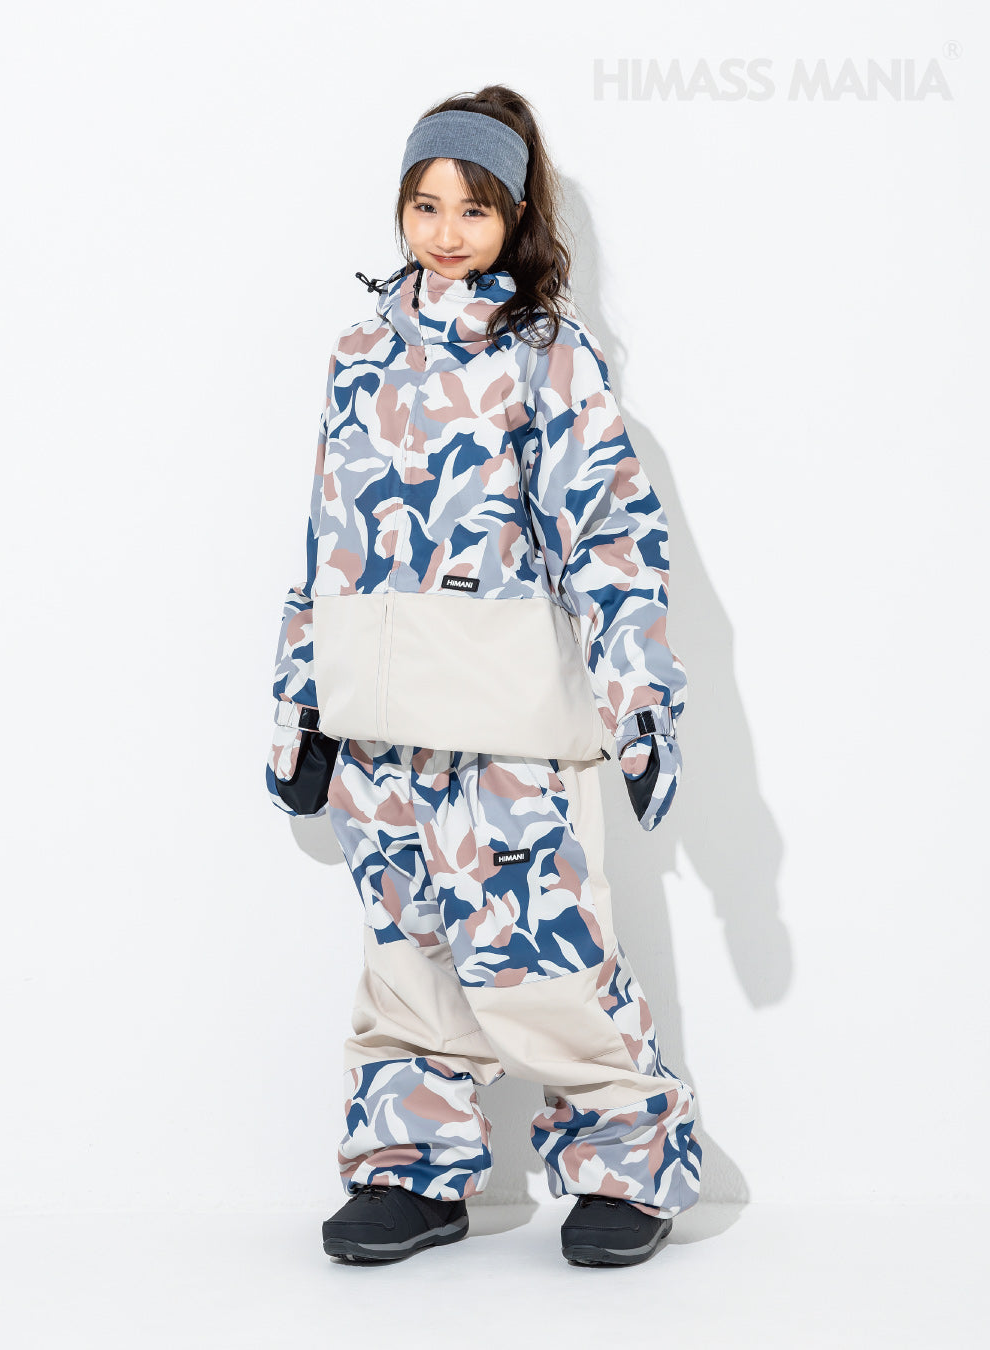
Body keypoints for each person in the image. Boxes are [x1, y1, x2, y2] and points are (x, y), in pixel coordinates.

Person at [266, 84, 702, 1268]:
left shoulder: (546, 356)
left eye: (474, 208)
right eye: (426, 205)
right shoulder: (358, 356)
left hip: (503, 714)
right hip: (377, 715)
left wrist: (641, 708)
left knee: (542, 949)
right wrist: (298, 702)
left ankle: (624, 1165)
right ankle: (413, 1170)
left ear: (514, 217)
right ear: (400, 210)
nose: (447, 231)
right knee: (406, 959)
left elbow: (611, 539)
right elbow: (325, 537)